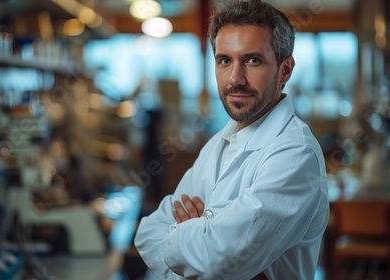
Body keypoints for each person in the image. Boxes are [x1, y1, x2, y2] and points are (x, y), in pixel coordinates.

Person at [134, 0, 329, 279]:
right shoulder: (217, 145)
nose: (235, 78)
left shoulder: (295, 154)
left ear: (284, 70)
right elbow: (149, 230)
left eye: (252, 60)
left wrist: (189, 238)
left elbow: (216, 261)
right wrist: (199, 246)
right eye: (225, 60)